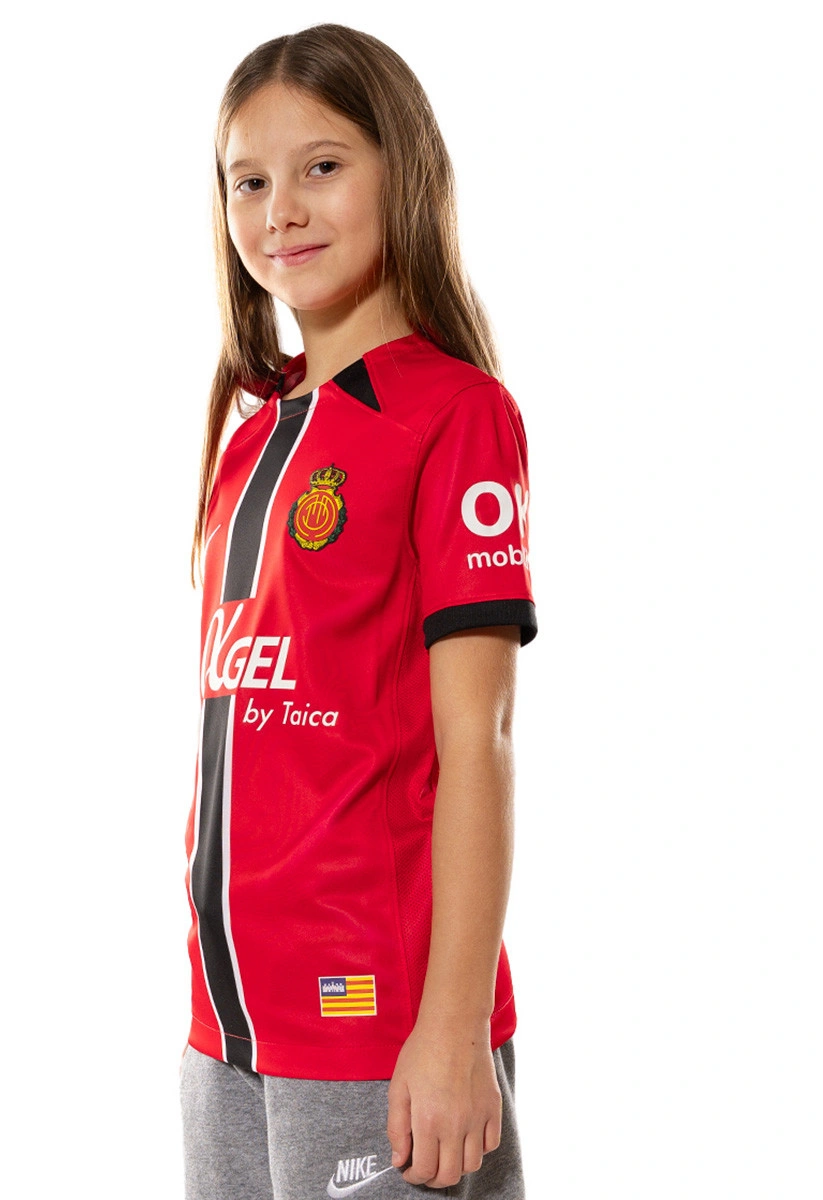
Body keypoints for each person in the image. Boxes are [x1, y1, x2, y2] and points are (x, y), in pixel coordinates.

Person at [180, 23, 537, 1200]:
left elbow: (478, 739)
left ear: (402, 169)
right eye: (249, 180)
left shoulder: (454, 414)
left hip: (377, 1028)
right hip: (228, 1026)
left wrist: (453, 1030)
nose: (281, 208)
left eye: (322, 166)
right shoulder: (253, 435)